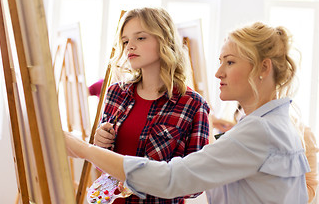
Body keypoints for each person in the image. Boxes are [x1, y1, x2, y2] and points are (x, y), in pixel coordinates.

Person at [65, 21, 311, 203]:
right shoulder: (272, 124)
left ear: (263, 68)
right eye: (221, 61)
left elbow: (171, 178)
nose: (218, 73)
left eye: (230, 62)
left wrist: (82, 149)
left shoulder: (259, 130)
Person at [86, 7, 210, 204]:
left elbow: (196, 184)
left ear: (164, 40)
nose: (130, 46)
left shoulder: (193, 104)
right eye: (125, 41)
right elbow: (104, 168)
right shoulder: (115, 94)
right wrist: (100, 145)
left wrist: (154, 181)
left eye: (140, 38)